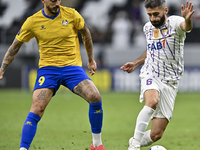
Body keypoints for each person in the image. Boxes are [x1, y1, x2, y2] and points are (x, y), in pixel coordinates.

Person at [0, 0, 105, 150]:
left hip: (72, 67)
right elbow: (15, 45)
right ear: (43, 0)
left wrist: (91, 59)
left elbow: (86, 33)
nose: (57, 3)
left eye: (58, 0)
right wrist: (3, 68)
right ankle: (23, 149)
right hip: (48, 70)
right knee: (37, 108)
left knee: (95, 97)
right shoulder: (32, 22)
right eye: (53, 0)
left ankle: (96, 144)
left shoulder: (72, 14)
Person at [120, 0, 194, 150]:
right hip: (151, 73)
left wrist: (187, 19)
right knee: (152, 101)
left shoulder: (175, 23)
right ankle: (134, 146)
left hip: (170, 82)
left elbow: (186, 27)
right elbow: (152, 50)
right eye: (150, 15)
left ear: (165, 10)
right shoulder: (147, 28)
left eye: (156, 14)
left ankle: (135, 140)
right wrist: (135, 63)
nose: (153, 18)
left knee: (156, 134)